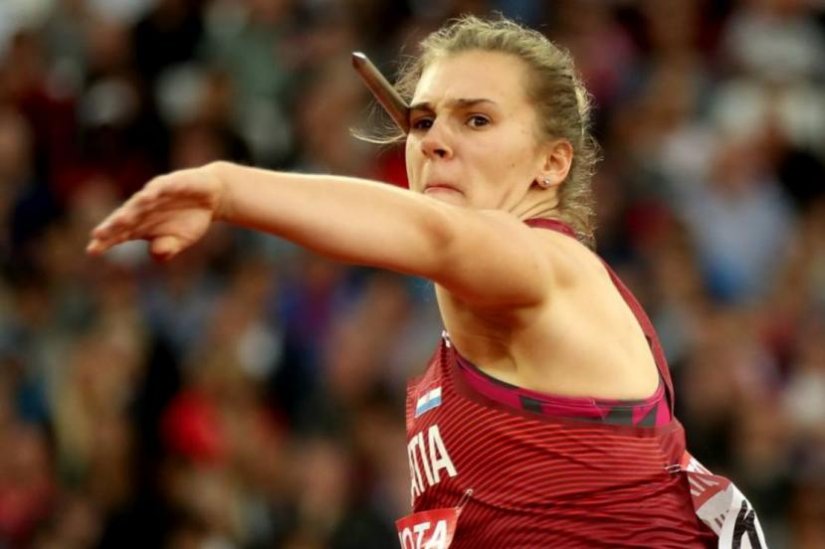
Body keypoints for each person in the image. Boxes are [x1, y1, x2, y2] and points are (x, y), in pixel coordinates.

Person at [87, 15, 767, 549]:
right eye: (422, 120)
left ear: (552, 163)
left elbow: (437, 235)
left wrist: (225, 187)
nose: (435, 139)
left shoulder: (548, 266)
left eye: (477, 119)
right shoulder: (480, 324)